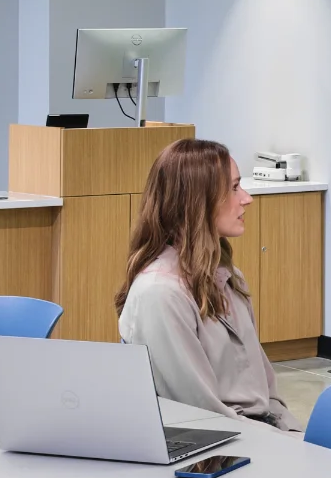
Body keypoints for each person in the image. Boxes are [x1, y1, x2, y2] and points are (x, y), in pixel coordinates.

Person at [116, 137, 299, 431]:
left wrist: (290, 434)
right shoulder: (161, 294)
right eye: (234, 188)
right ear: (196, 202)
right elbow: (203, 414)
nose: (247, 198)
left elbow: (266, 393)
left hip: (259, 433)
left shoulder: (228, 277)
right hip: (222, 445)